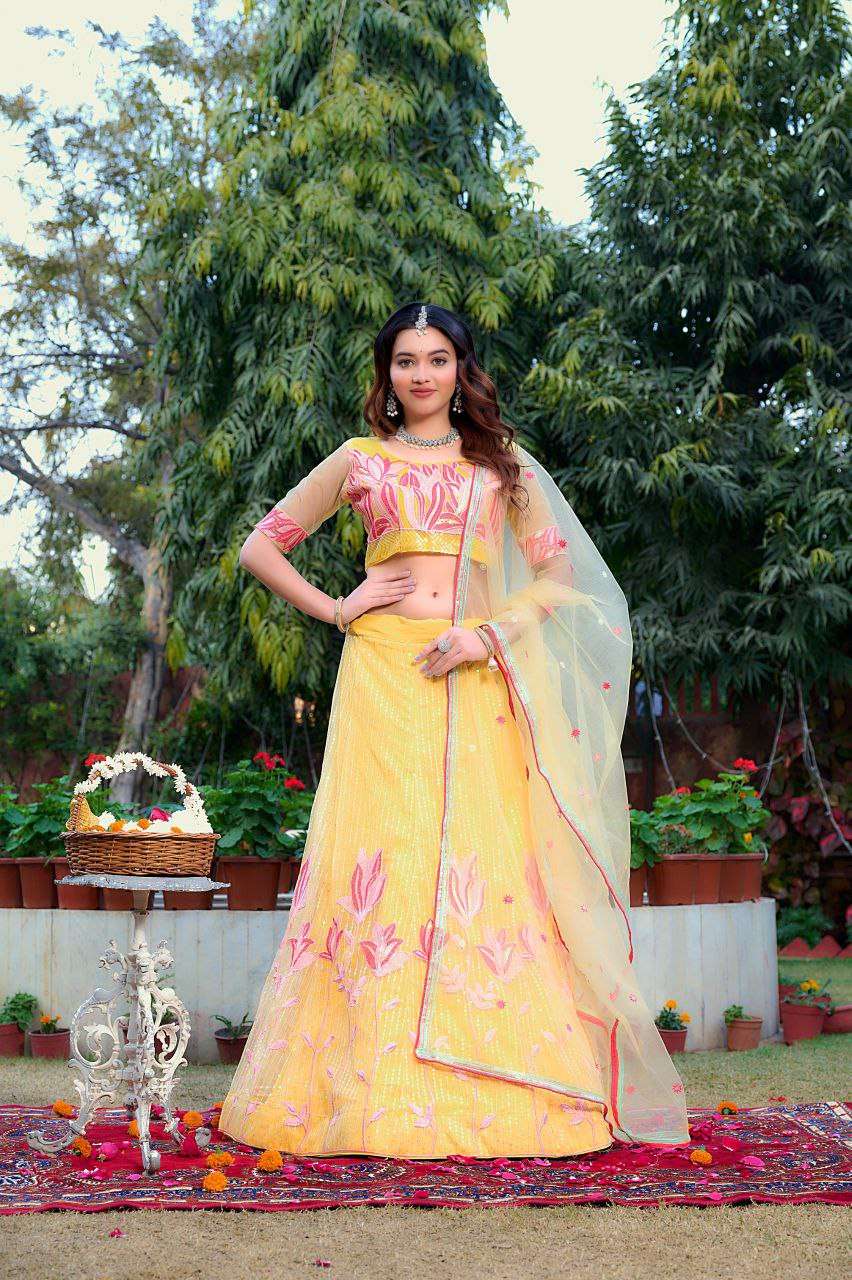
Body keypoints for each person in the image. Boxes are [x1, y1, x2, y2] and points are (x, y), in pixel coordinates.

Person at [217, 302, 691, 1159]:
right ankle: (365, 1085)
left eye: (437, 359)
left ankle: (493, 1078)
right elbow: (261, 546)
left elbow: (558, 579)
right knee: (380, 855)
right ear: (387, 374)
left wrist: (487, 636)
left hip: (472, 674)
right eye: (405, 361)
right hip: (381, 672)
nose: (421, 374)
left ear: (461, 369)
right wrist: (338, 608)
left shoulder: (500, 465)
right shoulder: (360, 459)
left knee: (481, 858)